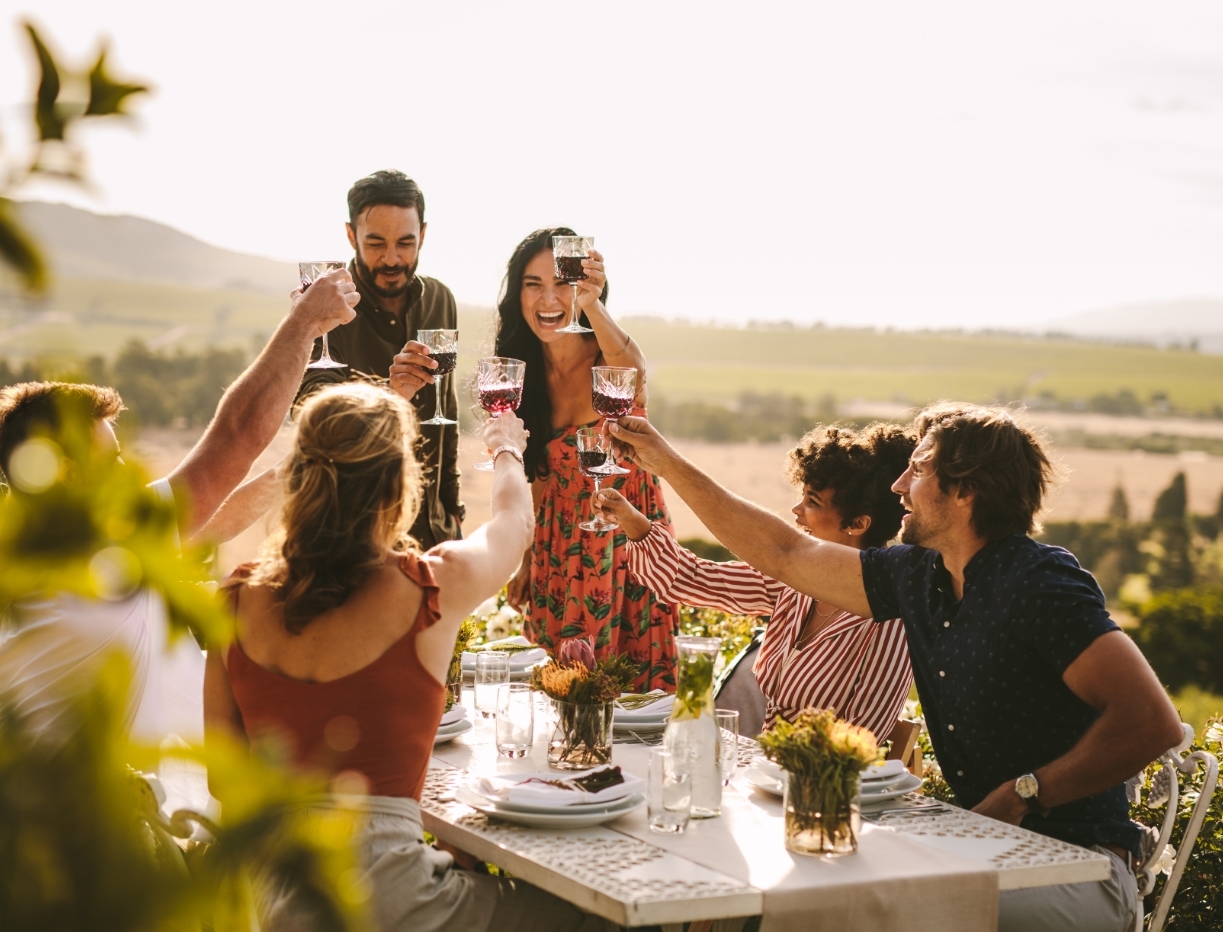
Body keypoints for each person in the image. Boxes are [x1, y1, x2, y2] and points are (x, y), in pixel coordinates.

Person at [606, 402, 1185, 932]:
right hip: (980, 845)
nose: (898, 485)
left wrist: (1022, 794)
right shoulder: (919, 577)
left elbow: (1150, 723)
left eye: (919, 469)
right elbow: (786, 554)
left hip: (1077, 869)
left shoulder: (1039, 584)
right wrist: (663, 459)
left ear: (966, 491)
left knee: (847, 909)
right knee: (797, 890)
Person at [203, 383, 615, 932]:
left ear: (297, 481)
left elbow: (224, 781)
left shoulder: (233, 600)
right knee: (598, 918)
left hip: (273, 897)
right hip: (388, 900)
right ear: (399, 486)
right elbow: (514, 529)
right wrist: (507, 449)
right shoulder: (430, 586)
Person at [0, 271, 359, 747]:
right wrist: (304, 323)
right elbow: (239, 433)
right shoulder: (106, 555)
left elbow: (212, 523)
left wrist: (311, 462)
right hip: (160, 814)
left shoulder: (0, 588)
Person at [594, 423, 916, 742]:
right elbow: (693, 579)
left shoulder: (890, 619)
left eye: (813, 502)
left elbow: (859, 738)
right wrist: (633, 522)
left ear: (857, 524)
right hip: (766, 771)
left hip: (822, 782)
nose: (796, 510)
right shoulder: (793, 584)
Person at [495, 227, 679, 692]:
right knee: (563, 693)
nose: (547, 298)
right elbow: (538, 473)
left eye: (563, 283)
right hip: (560, 548)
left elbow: (633, 367)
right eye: (532, 284)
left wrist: (593, 304)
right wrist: (525, 558)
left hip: (628, 538)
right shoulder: (520, 371)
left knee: (634, 700)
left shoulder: (608, 357)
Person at [295, 169, 465, 548]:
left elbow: (445, 414)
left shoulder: (441, 299)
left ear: (423, 234)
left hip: (433, 530)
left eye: (405, 242)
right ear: (351, 235)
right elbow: (312, 419)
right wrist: (389, 395)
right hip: (351, 535)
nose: (392, 258)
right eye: (375, 244)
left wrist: (452, 510)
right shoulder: (324, 309)